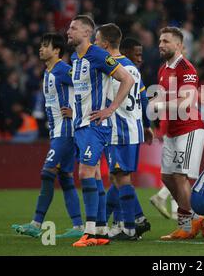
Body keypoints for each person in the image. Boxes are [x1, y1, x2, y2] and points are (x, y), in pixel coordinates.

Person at [67, 15, 134, 247]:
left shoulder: (98, 55)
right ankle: (101, 231)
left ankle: (89, 232)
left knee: (85, 173)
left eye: (73, 28)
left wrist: (111, 108)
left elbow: (126, 79)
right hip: (81, 125)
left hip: (96, 126)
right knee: (93, 175)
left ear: (87, 33)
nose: (68, 31)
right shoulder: (75, 57)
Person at [11, 33, 84, 239]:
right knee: (65, 177)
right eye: (41, 45)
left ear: (56, 51)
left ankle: (36, 223)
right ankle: (78, 226)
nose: (41, 49)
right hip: (57, 132)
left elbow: (86, 88)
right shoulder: (48, 72)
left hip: (66, 131)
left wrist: (77, 113)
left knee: (47, 172)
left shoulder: (62, 70)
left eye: (45, 46)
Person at [94, 25, 152, 240]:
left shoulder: (112, 68)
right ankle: (120, 222)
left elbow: (107, 100)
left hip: (119, 130)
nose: (94, 44)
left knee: (121, 177)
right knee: (118, 177)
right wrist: (146, 125)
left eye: (97, 40)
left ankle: (130, 226)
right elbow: (143, 99)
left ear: (106, 44)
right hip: (134, 128)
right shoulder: (132, 68)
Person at [150, 27, 204, 240]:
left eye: (165, 41)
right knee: (166, 176)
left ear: (178, 45)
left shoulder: (186, 68)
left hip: (189, 129)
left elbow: (188, 102)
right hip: (173, 132)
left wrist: (159, 102)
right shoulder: (163, 69)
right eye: (160, 41)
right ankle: (194, 218)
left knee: (180, 176)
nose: (161, 44)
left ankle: (186, 225)